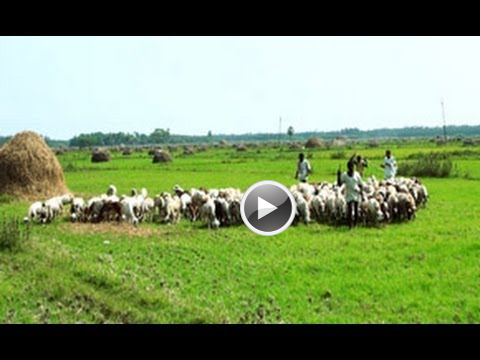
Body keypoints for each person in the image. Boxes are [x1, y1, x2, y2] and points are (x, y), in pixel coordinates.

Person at [337, 160, 363, 229]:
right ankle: (350, 225)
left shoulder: (357, 174)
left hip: (356, 193)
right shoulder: (345, 175)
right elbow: (339, 184)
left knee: (356, 210)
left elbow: (360, 184)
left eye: (353, 167)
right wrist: (338, 176)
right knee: (350, 210)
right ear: (348, 167)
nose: (352, 168)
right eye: (351, 167)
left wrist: (361, 193)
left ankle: (355, 224)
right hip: (348, 193)